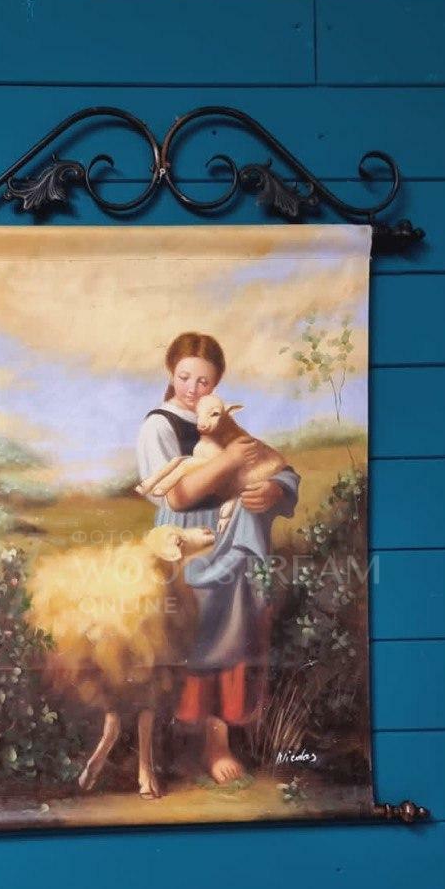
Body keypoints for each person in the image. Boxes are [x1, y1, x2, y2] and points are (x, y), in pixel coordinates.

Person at [136, 331, 300, 785]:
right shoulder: (159, 426)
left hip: (233, 538)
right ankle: (175, 741)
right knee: (195, 631)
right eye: (185, 377)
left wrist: (275, 489)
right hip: (186, 542)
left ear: (218, 385)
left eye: (204, 381)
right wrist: (229, 461)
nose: (193, 389)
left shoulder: (221, 419)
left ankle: (218, 741)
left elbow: (279, 466)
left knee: (237, 628)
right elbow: (178, 494)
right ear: (171, 372)